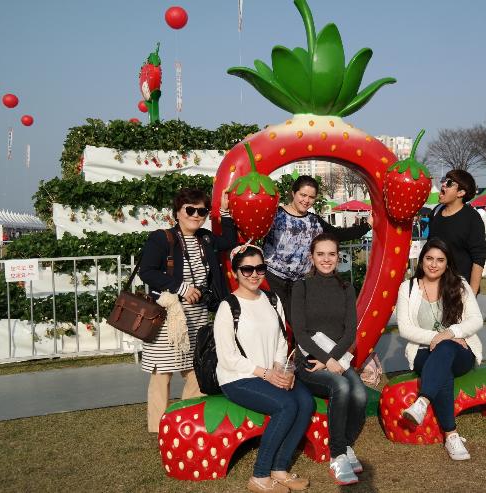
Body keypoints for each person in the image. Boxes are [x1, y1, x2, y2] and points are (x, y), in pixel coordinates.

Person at [216, 244, 314, 493]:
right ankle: (259, 475)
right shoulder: (228, 306)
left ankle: (280, 468)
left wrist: (281, 370)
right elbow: (227, 357)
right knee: (286, 405)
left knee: (305, 401)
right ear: (235, 271)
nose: (254, 274)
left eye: (260, 268)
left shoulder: (272, 299)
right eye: (246, 269)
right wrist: (266, 374)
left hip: (272, 373)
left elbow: (282, 340)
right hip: (238, 377)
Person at [139, 187, 237, 433]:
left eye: (202, 211)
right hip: (169, 316)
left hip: (198, 314)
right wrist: (181, 288)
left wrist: (224, 211)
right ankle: (158, 428)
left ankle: (184, 422)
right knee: (163, 371)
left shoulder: (205, 238)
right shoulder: (162, 238)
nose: (196, 215)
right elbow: (147, 271)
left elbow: (229, 240)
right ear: (177, 212)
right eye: (190, 210)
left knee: (196, 369)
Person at [396, 239, 484, 461]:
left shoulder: (460, 284)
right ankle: (451, 435)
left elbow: (476, 320)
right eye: (429, 258)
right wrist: (440, 337)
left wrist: (450, 333)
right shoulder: (407, 287)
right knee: (442, 363)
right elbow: (405, 329)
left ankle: (422, 402)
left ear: (447, 263)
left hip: (461, 352)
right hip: (423, 352)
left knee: (445, 348)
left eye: (440, 260)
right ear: (422, 259)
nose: (433, 264)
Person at [292, 233, 367, 485]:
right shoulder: (301, 287)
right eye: (320, 254)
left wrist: (330, 360)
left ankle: (345, 445)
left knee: (360, 394)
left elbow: (350, 332)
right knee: (342, 386)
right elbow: (300, 333)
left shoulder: (346, 288)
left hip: (336, 359)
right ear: (312, 256)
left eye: (331, 254)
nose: (326, 259)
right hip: (309, 362)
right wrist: (324, 360)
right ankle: (337, 455)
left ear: (338, 256)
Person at [263, 175, 371, 318]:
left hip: (299, 283)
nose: (306, 200)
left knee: (298, 323)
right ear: (293, 193)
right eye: (303, 195)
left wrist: (367, 225)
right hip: (272, 279)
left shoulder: (315, 221)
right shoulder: (275, 215)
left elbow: (338, 234)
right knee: (275, 321)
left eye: (311, 197)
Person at [426, 170, 486, 294]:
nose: (443, 184)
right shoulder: (436, 212)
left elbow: (479, 257)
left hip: (458, 288)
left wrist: (472, 294)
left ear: (461, 192)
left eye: (449, 183)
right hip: (433, 286)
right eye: (444, 180)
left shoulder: (472, 218)